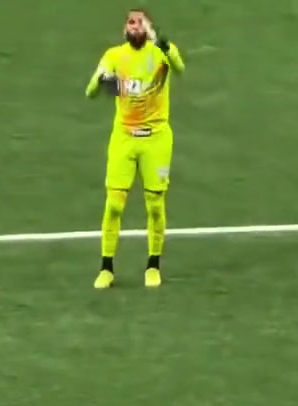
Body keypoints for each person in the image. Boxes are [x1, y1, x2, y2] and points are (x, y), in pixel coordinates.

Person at [86, 8, 185, 290]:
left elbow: (179, 67)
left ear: (149, 27)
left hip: (156, 139)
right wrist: (102, 79)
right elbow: (91, 92)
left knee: (155, 206)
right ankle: (106, 268)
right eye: (130, 22)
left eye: (140, 21)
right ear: (124, 29)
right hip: (124, 139)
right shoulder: (114, 56)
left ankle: (153, 265)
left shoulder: (161, 52)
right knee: (114, 205)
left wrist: (160, 41)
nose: (135, 25)